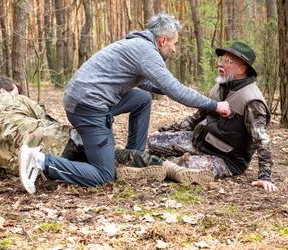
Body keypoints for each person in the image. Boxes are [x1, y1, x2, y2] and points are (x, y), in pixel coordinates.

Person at [19, 13, 231, 194]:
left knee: (141, 99)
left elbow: (153, 84)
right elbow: (174, 90)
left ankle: (133, 158)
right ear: (162, 41)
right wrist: (213, 105)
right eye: (174, 43)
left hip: (85, 98)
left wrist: (174, 88)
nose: (175, 50)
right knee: (103, 175)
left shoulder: (137, 45)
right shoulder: (146, 51)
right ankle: (40, 161)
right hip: (88, 106)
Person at [143, 41, 277, 192]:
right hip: (199, 140)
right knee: (153, 141)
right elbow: (196, 118)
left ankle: (149, 165)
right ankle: (153, 162)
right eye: (222, 59)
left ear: (241, 69)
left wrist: (265, 176)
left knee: (179, 165)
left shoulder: (252, 101)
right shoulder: (218, 87)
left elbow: (262, 140)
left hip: (226, 159)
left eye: (228, 61)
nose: (221, 64)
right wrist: (164, 130)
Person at [0, 76, 83, 176]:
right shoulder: (15, 99)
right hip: (51, 147)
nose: (18, 95)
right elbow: (45, 118)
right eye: (16, 93)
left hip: (20, 168)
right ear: (2, 91)